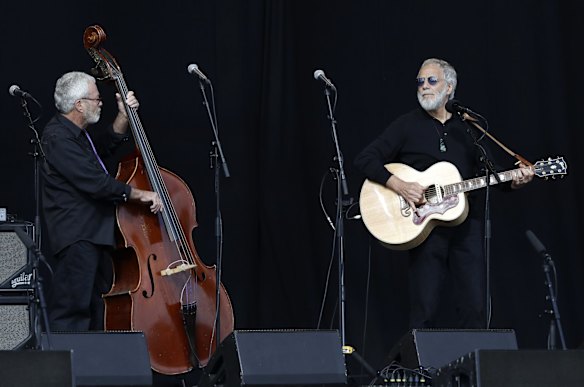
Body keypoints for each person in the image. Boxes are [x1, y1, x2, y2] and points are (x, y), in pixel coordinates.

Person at [354, 58, 534, 328]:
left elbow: (493, 173)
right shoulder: (406, 125)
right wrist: (398, 184)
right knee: (425, 306)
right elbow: (365, 159)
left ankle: (471, 368)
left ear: (449, 87)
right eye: (420, 81)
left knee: (475, 304)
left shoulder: (468, 126)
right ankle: (423, 370)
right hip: (423, 225)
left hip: (466, 225)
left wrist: (515, 181)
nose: (424, 86)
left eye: (431, 80)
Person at [41, 71, 163, 331]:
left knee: (96, 312)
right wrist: (142, 195)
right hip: (77, 236)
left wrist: (123, 116)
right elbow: (96, 182)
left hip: (94, 235)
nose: (100, 103)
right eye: (96, 99)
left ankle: (91, 369)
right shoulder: (57, 138)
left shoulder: (76, 136)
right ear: (79, 105)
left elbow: (103, 149)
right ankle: (64, 371)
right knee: (72, 313)